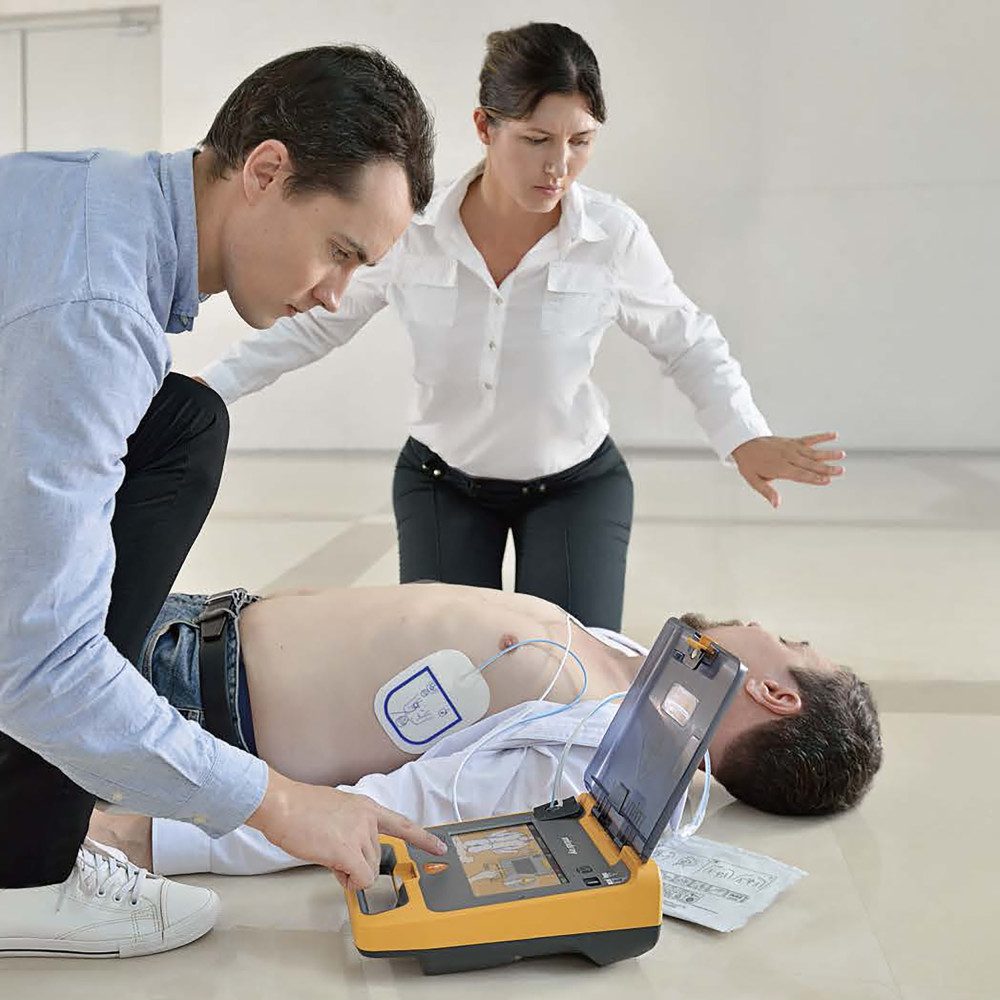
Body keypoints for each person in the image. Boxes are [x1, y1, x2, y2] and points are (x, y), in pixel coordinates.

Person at [0, 46, 446, 960]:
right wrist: (278, 802)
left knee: (183, 423)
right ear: (266, 171)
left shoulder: (96, 195)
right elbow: (37, 664)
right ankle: (19, 876)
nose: (336, 295)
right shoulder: (97, 312)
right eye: (340, 252)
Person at [199, 22, 846, 632]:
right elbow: (317, 326)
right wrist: (207, 390)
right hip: (441, 482)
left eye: (580, 141)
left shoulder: (611, 238)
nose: (558, 165)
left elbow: (687, 340)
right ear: (485, 126)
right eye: (536, 140)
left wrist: (743, 435)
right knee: (450, 672)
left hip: (574, 486)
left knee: (574, 671)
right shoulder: (415, 232)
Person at [86, 583, 883, 876]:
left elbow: (387, 815)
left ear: (776, 694)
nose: (769, 627)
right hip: (178, 624)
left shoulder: (590, 754)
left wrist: (133, 836)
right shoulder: (628, 665)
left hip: (171, 700)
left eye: (792, 644)